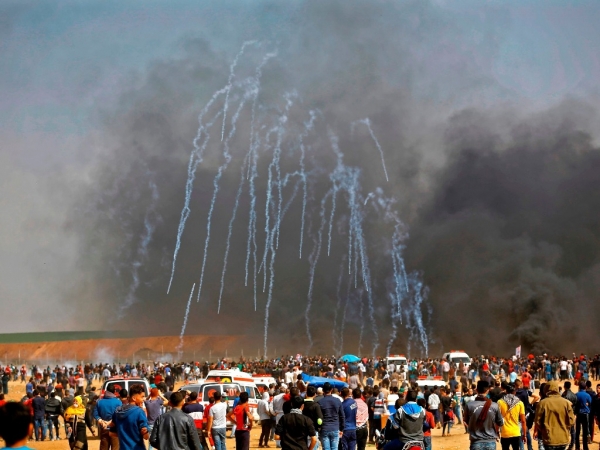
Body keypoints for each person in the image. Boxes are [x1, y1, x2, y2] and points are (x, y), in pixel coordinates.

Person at [534, 380, 575, 450]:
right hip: (563, 439)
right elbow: (572, 421)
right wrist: (565, 428)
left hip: (549, 439)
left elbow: (537, 421)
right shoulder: (566, 403)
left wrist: (544, 431)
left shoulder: (542, 403)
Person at [464, 380, 504, 450]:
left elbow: (466, 422)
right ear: (488, 391)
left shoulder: (469, 405)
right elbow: (500, 422)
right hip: (490, 442)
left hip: (476, 442)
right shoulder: (495, 406)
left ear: (476, 390)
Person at [110, 385, 149, 450]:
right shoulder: (139, 412)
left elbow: (111, 433)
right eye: (142, 397)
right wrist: (145, 433)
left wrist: (123, 435)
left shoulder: (117, 411)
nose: (143, 399)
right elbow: (146, 437)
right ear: (134, 398)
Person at [497, 383, 526, 450]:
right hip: (516, 432)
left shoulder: (500, 402)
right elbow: (523, 421)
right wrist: (524, 435)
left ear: (506, 391)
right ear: (515, 392)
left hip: (504, 433)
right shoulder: (520, 403)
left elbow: (498, 419)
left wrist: (497, 431)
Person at [317, 382, 345, 450]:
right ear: (331, 390)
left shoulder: (320, 402)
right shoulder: (337, 401)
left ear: (323, 390)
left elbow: (318, 417)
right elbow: (342, 416)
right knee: (335, 448)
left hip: (324, 428)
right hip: (335, 428)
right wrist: (342, 428)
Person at [94, 383, 122, 450]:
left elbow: (95, 414)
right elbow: (120, 415)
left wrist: (101, 421)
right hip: (115, 429)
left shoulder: (99, 402)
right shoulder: (118, 402)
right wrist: (110, 422)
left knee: (103, 447)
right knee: (115, 448)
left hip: (104, 428)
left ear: (106, 391)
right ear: (114, 392)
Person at [575, 381, 592, 450]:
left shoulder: (576, 394)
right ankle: (585, 447)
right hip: (585, 415)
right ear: (585, 387)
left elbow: (575, 404)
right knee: (585, 432)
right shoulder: (587, 395)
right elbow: (590, 403)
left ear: (579, 387)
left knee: (578, 431)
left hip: (578, 414)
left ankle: (577, 446)